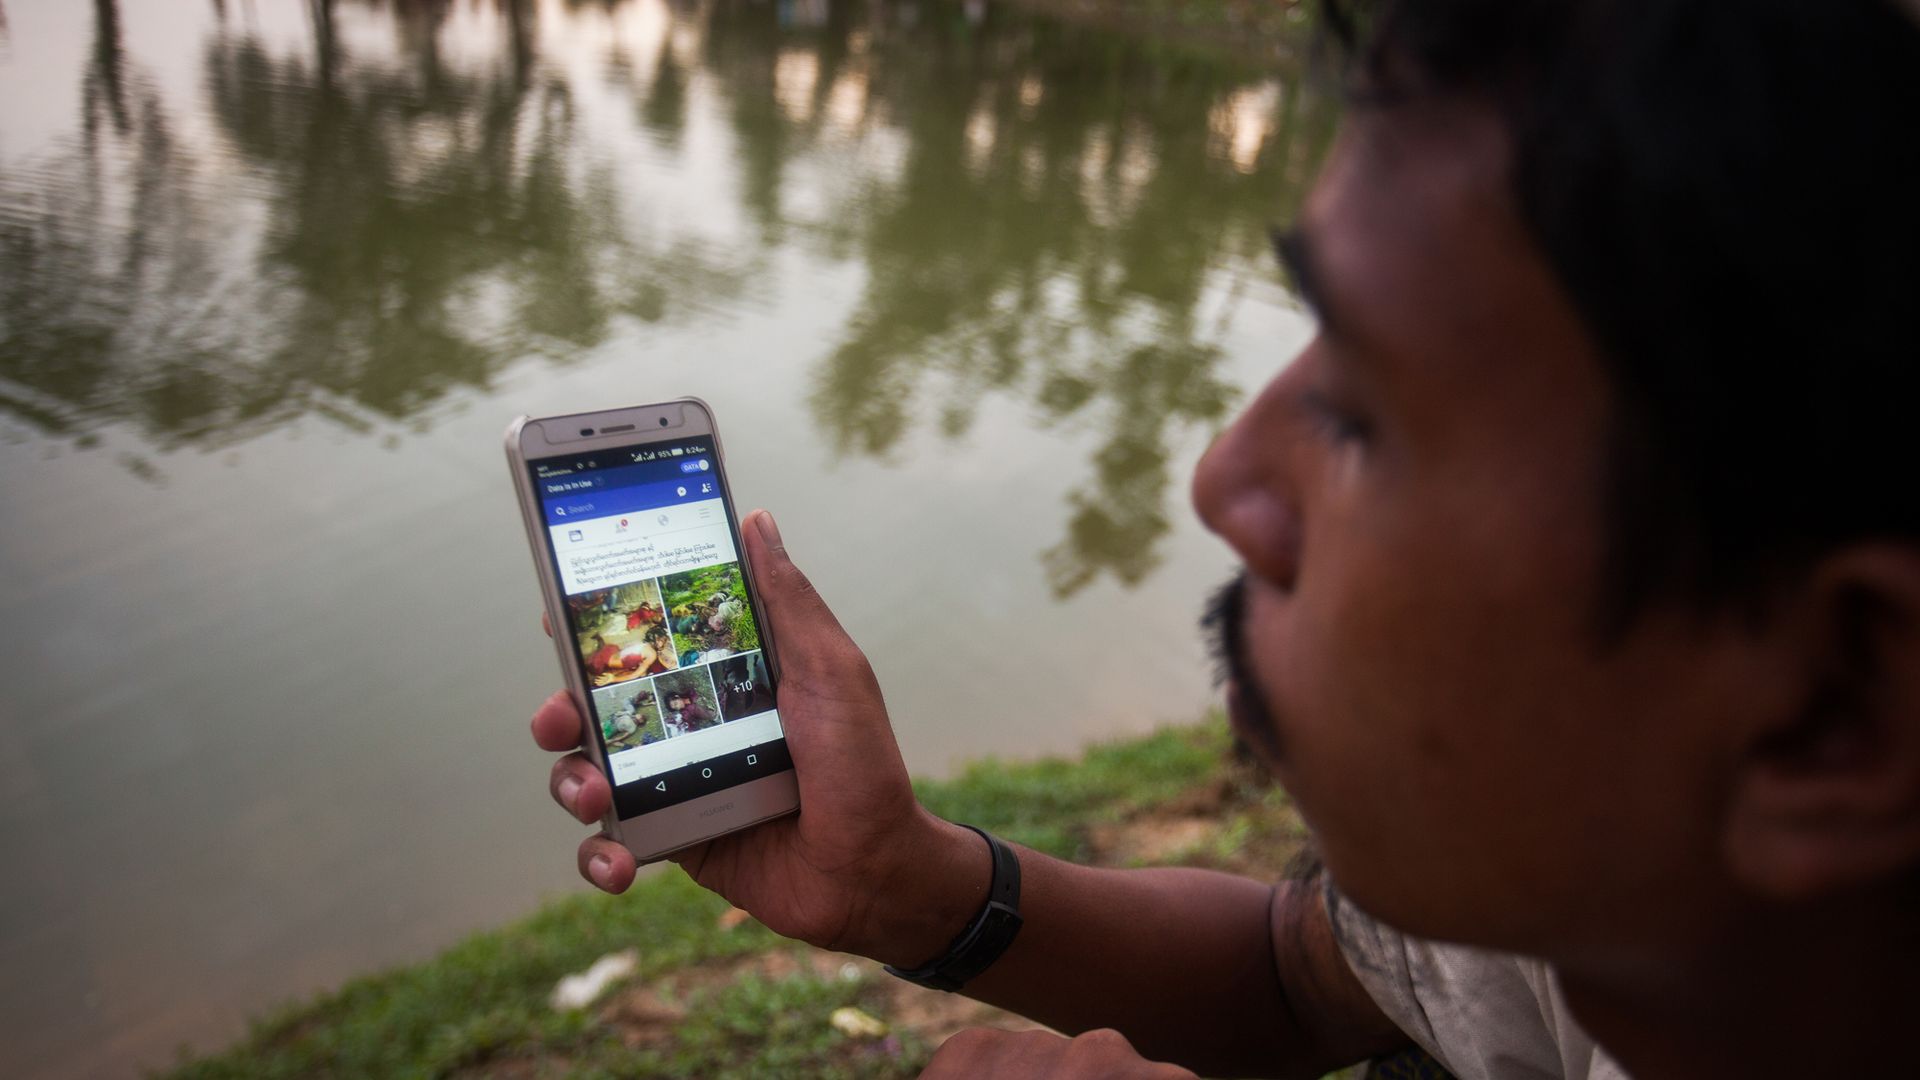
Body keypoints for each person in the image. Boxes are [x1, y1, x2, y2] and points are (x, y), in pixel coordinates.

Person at [531, 1, 1920, 1076]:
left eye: (1368, 414)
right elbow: (1297, 976)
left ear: (1838, 705)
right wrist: (906, 882)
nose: (1223, 481)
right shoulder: (1621, 913)